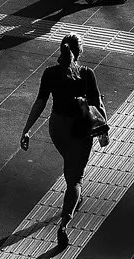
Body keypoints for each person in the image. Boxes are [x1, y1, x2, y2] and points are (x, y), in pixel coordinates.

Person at [20, 34, 109, 245]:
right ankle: (64, 223)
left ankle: (75, 196)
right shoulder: (87, 74)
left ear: (61, 50)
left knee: (70, 163)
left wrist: (26, 129)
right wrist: (104, 130)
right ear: (80, 52)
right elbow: (98, 105)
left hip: (57, 128)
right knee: (75, 179)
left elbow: (40, 102)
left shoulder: (49, 73)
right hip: (79, 129)